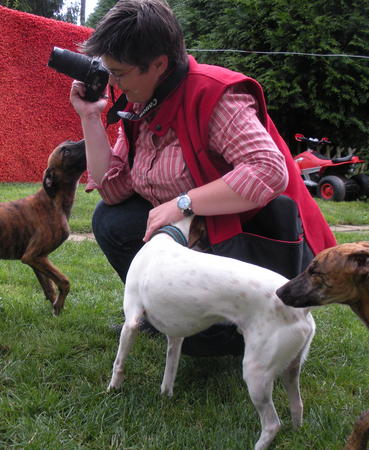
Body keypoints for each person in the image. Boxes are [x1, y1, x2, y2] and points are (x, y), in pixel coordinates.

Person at [70, 0, 336, 356]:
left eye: (119, 72)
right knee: (111, 218)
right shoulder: (141, 104)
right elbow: (114, 189)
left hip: (251, 238)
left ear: (159, 64)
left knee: (203, 347)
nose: (110, 82)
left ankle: (231, 331)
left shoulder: (215, 94)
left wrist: (182, 204)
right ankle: (163, 316)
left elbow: (269, 169)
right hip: (203, 233)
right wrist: (90, 117)